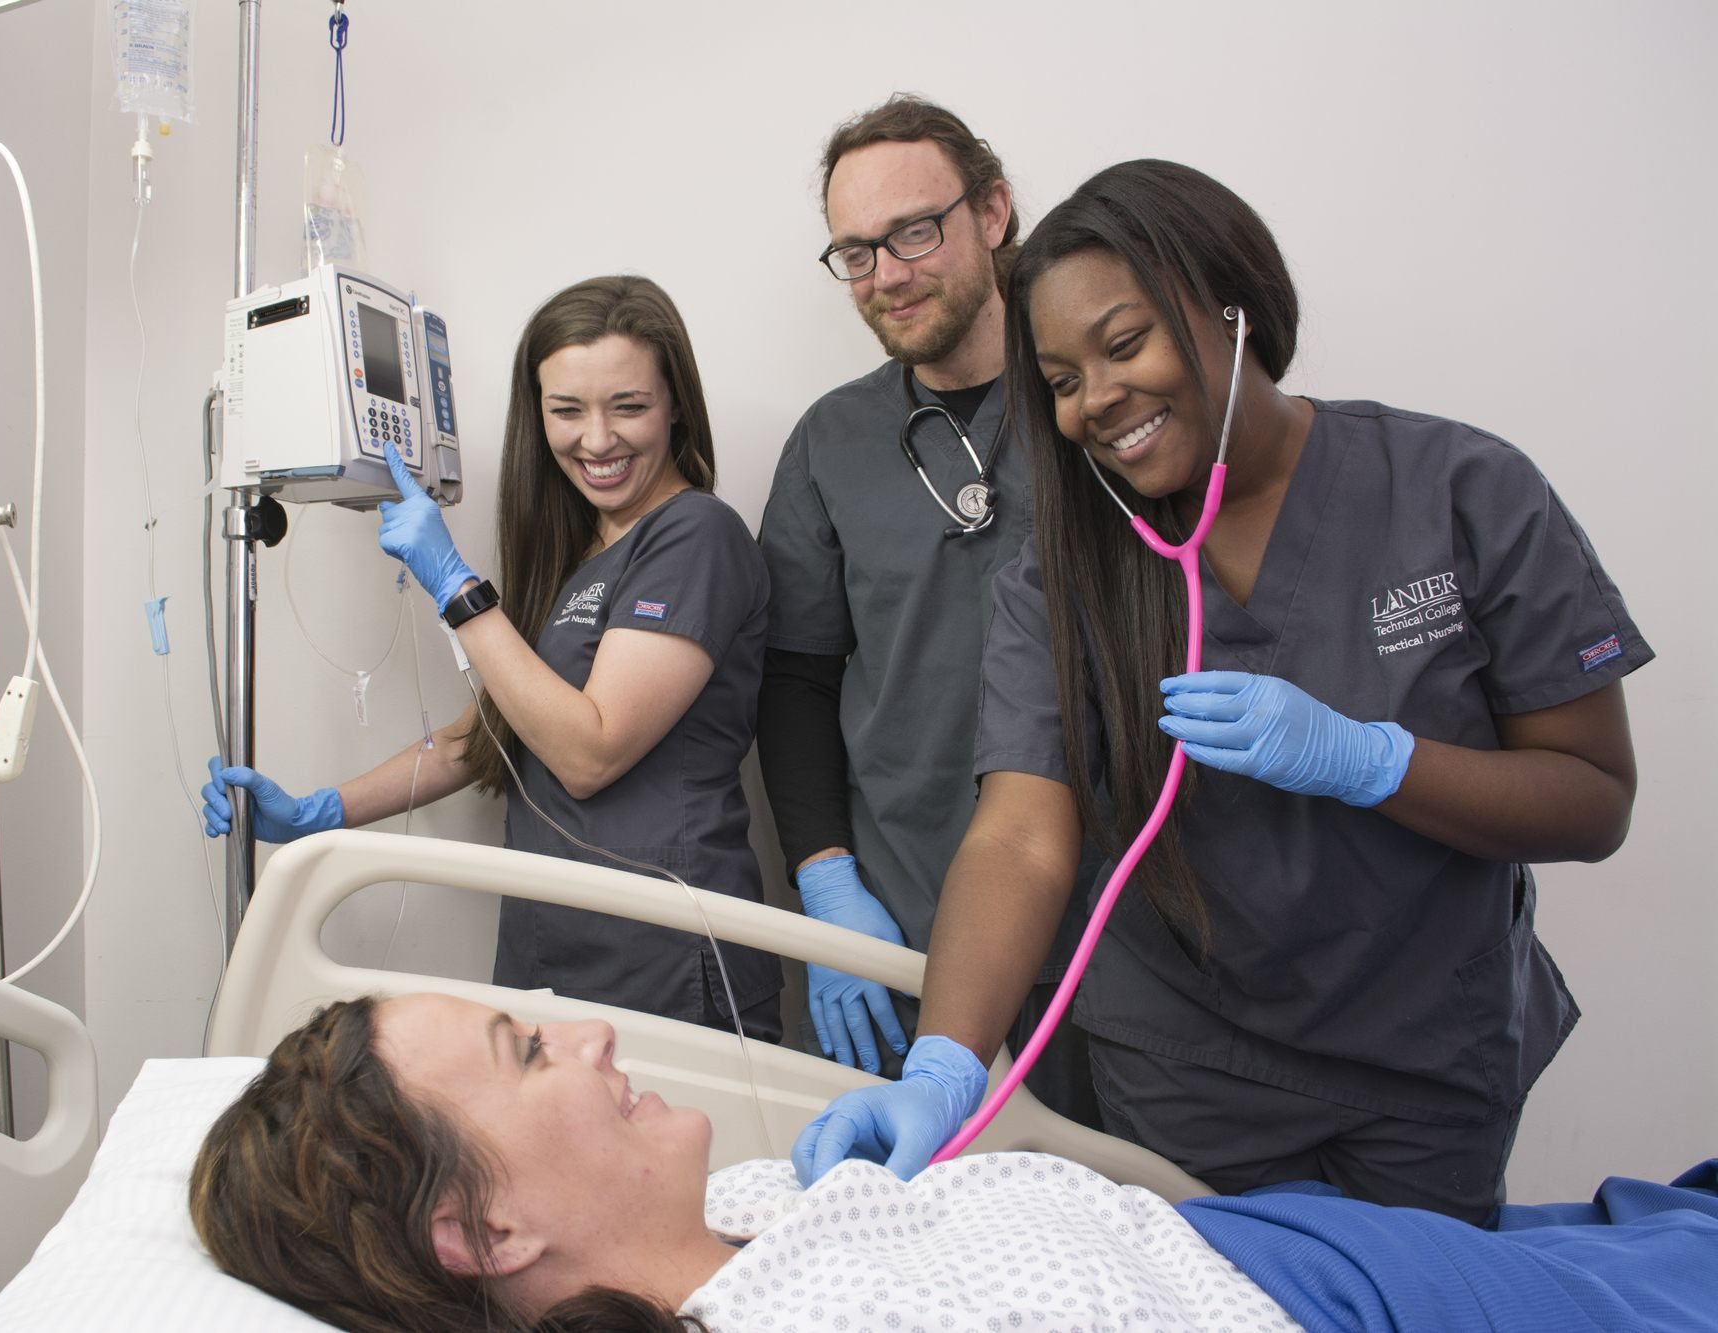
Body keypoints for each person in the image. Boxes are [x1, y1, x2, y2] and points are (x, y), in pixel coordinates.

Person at [791, 160, 1650, 1223]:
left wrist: (1375, 761)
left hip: (1429, 1049)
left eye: (1123, 343)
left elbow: (1590, 797)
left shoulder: (1460, 491)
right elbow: (1019, 836)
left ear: (1233, 305)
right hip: (1189, 1064)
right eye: (1059, 381)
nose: (1097, 399)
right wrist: (942, 1063)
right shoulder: (1059, 576)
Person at [189, 994, 1718, 1332]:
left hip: (1259, 1238)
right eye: (526, 1056)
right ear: (480, 1229)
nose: (587, 1036)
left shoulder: (725, 1222)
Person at [202, 275, 782, 1041]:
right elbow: (486, 738)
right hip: (553, 951)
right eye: (567, 410)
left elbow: (590, 750)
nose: (598, 439)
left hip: (663, 960)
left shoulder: (696, 534)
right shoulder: (579, 560)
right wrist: (320, 812)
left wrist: (457, 588)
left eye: (629, 406)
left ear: (675, 404)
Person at [756, 94, 1100, 1124]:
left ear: (992, 210)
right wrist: (825, 878)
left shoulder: (1101, 404)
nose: (886, 275)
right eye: (855, 253)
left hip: (1112, 924)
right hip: (907, 919)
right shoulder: (832, 441)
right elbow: (795, 678)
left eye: (912, 231)